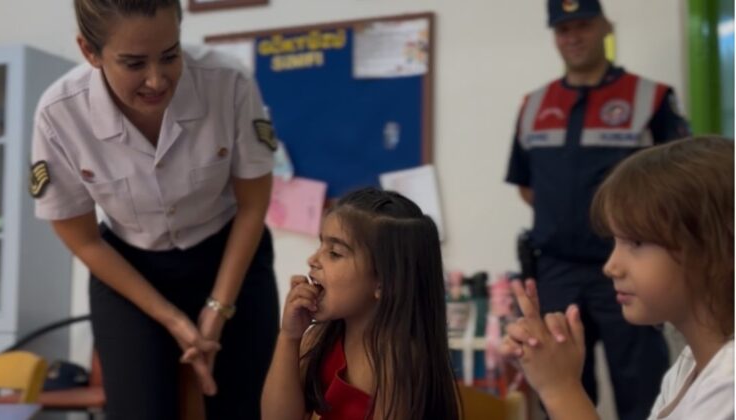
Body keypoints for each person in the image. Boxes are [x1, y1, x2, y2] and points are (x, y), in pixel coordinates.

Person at [29, 1, 279, 418]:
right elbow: (84, 239)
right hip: (128, 268)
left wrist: (217, 311)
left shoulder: (228, 82)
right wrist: (175, 320)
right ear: (90, 51)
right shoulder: (60, 114)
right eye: (133, 63)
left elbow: (253, 205)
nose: (156, 79)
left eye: (170, 55)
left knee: (249, 406)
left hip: (230, 253)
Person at [504, 0, 691, 417]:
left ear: (606, 26)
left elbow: (679, 185)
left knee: (643, 391)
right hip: (556, 272)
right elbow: (528, 188)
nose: (573, 37)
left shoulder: (651, 97)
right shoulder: (533, 105)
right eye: (563, 30)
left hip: (630, 265)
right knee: (560, 389)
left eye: (583, 25)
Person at [501, 136, 734, 420]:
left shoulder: (728, 383)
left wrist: (560, 388)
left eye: (635, 243)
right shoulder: (689, 367)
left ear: (715, 250)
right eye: (615, 242)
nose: (611, 267)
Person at [261, 187, 460, 420]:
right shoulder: (317, 340)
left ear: (384, 282)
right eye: (320, 245)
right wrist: (289, 336)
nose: (313, 260)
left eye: (334, 253)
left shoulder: (397, 361)